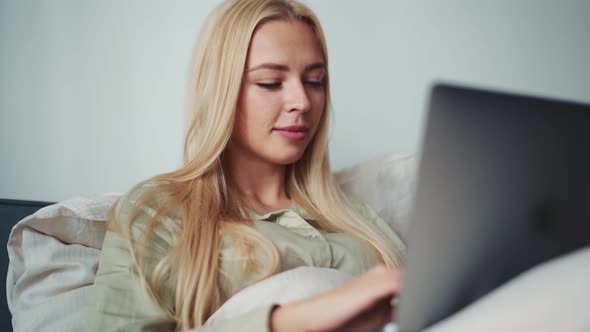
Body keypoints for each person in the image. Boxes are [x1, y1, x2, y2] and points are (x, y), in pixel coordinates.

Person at [88, 0, 405, 331]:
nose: (302, 102)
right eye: (270, 82)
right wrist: (291, 321)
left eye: (315, 81)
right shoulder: (158, 214)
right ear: (220, 91)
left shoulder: (355, 217)